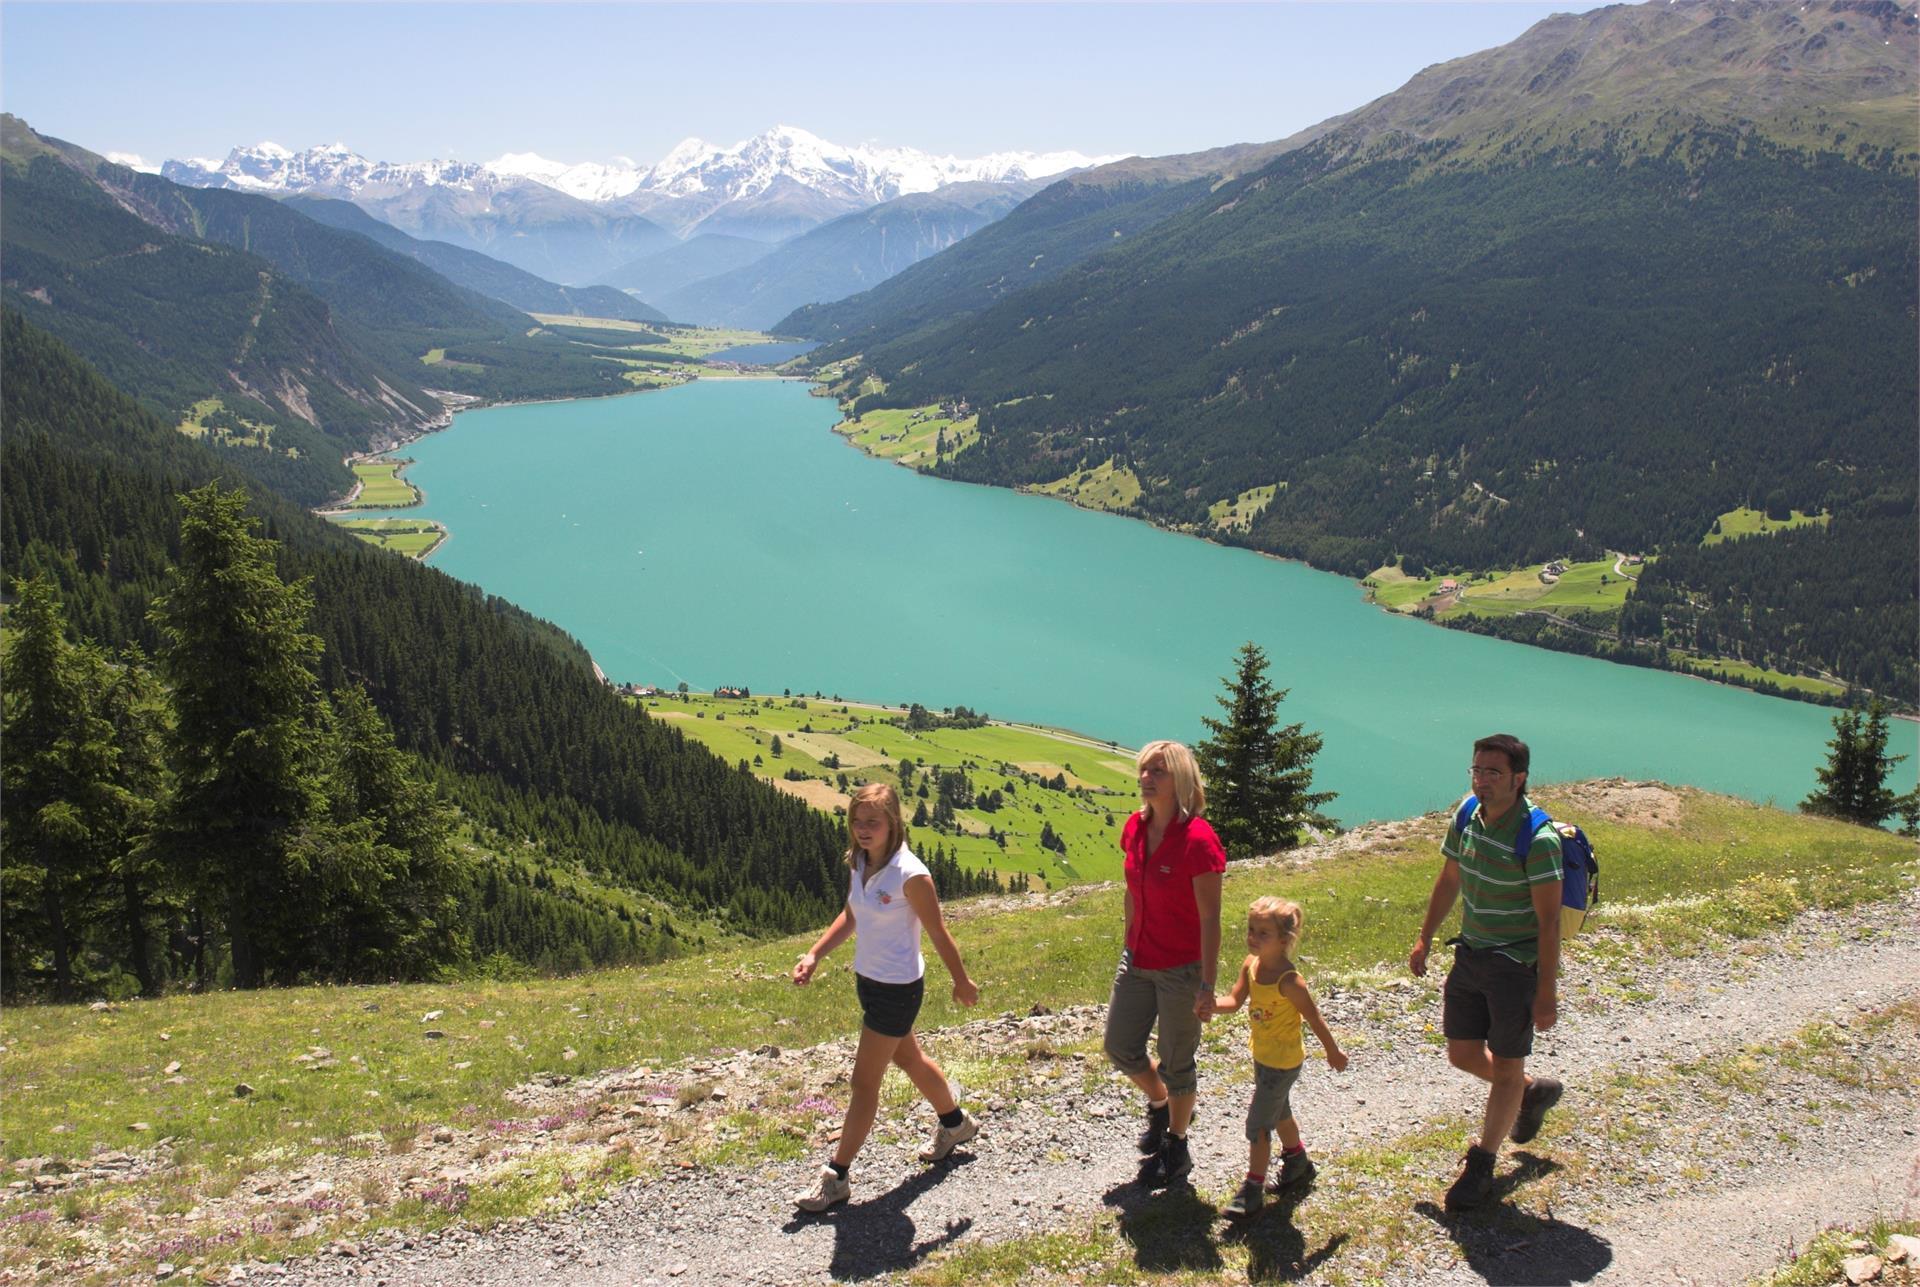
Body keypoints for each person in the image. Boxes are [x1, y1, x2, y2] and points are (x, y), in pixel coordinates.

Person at [791, 783, 981, 1212]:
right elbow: (852, 913)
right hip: (870, 983)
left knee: (863, 1084)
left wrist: (961, 981)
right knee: (909, 1058)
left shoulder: (911, 875)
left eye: (872, 822)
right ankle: (955, 1123)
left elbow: (938, 932)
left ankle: (836, 1175)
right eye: (857, 821)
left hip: (897, 991)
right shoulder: (860, 861)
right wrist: (815, 953)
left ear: (893, 822)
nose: (862, 829)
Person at [1409, 733, 1566, 1211]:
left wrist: (1546, 991)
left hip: (1515, 967)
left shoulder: (1538, 840)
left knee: (1506, 1065)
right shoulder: (1467, 815)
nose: (1481, 780)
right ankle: (1530, 1092)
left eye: (1493, 773)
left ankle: (1481, 1166)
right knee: (1461, 1054)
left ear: (1519, 779)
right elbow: (1450, 877)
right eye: (1476, 770)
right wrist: (1425, 935)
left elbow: (1549, 922)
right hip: (1471, 954)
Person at [1103, 739, 1226, 1188]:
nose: (1146, 778)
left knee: (1178, 1063)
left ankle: (1177, 1143)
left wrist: (1207, 985)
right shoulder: (1135, 827)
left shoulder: (1198, 840)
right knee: (1119, 1046)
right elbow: (1131, 890)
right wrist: (1127, 941)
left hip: (1180, 969)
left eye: (1158, 771)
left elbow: (1211, 918)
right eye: (1144, 770)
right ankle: (1160, 1106)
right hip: (1137, 958)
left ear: (1182, 780)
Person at [1211, 896, 1348, 1217]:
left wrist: (1332, 1050)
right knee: (1280, 1112)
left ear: (1285, 940)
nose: (1252, 938)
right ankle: (1298, 1161)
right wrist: (1209, 1006)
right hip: (1262, 1055)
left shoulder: (1290, 982)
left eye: (1263, 934)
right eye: (1250, 930)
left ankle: (1252, 1189)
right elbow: (1233, 1000)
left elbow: (1314, 1018)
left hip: (1284, 1062)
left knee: (1259, 1123)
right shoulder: (1251, 964)